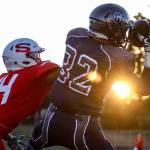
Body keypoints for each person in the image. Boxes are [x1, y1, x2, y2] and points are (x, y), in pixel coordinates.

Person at [26, 3, 150, 150]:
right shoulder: (119, 58)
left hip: (50, 118)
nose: (123, 34)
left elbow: (96, 51)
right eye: (121, 30)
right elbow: (144, 89)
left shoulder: (75, 35)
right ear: (111, 29)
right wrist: (148, 50)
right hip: (82, 127)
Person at [0, 38, 59, 150]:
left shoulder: (3, 78)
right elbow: (62, 72)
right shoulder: (33, 73)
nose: (38, 59)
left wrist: (7, 135)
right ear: (22, 59)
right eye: (34, 55)